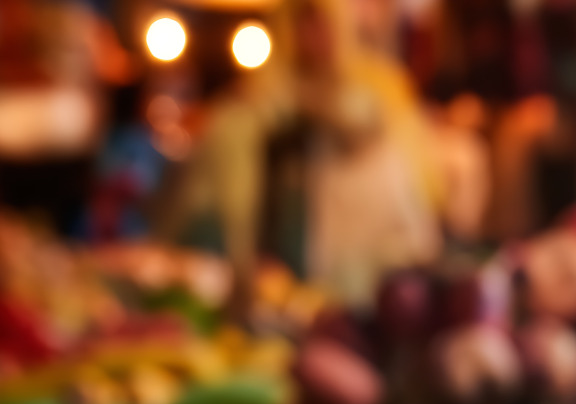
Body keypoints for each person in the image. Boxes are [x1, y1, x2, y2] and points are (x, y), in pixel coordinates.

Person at [166, 0, 443, 302]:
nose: (312, 36)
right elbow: (257, 116)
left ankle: (359, 279)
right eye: (303, 25)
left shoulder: (371, 83)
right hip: (288, 209)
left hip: (345, 215)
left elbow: (366, 127)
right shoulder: (267, 88)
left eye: (321, 25)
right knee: (231, 137)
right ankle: (241, 270)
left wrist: (319, 109)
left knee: (375, 164)